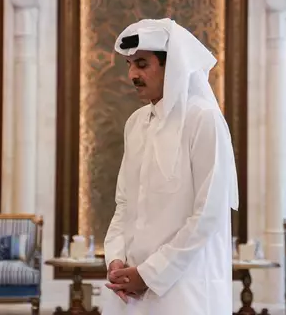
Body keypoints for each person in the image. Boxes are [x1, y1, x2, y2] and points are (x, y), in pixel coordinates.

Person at [102, 18, 239, 315]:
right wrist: (115, 259)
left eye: (141, 64)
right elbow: (124, 204)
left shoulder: (203, 119)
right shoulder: (135, 123)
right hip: (132, 289)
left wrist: (150, 274)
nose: (132, 74)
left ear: (172, 64)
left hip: (185, 289)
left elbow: (209, 214)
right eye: (129, 64)